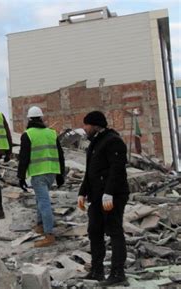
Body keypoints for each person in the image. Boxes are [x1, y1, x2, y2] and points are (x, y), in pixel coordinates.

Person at [78, 111, 130, 286]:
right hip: (96, 195)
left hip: (112, 196)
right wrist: (82, 192)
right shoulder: (95, 143)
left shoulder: (113, 141)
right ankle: (97, 271)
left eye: (86, 125)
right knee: (94, 231)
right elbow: (90, 172)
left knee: (114, 231)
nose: (84, 128)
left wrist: (109, 192)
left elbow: (117, 170)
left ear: (95, 125)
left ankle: (118, 273)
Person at [17, 106, 65, 247]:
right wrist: (61, 174)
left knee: (44, 202)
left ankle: (49, 234)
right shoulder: (51, 133)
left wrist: (21, 176)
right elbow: (60, 155)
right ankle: (40, 225)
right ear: (41, 118)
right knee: (40, 199)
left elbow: (24, 157)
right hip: (51, 172)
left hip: (38, 173)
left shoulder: (28, 134)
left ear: (29, 119)